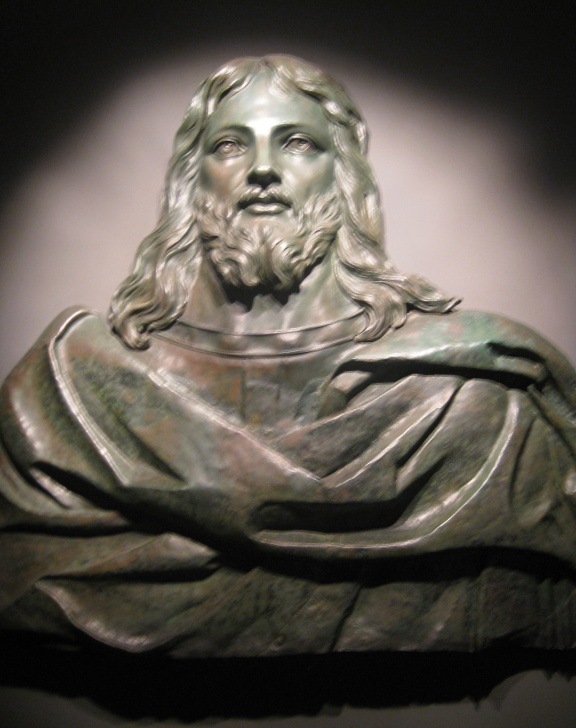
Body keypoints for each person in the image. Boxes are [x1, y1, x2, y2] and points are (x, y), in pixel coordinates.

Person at [1, 55, 575, 656]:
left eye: (298, 144)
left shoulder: (469, 399)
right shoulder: (74, 387)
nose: (263, 171)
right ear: (190, 182)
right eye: (230, 146)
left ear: (343, 177)